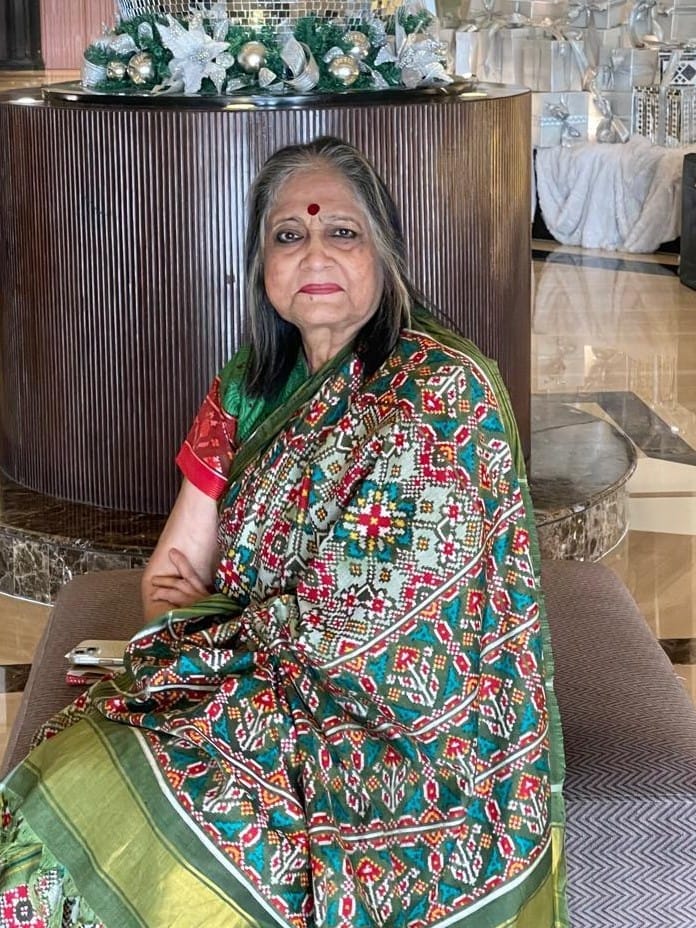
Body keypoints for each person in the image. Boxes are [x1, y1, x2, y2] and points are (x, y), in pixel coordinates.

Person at [0, 137, 568, 928]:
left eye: (343, 232)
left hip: (408, 724)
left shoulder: (442, 390)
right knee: (64, 794)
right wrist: (215, 656)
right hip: (249, 678)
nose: (315, 253)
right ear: (261, 267)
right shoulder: (247, 387)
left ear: (385, 256)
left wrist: (216, 643)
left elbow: (395, 623)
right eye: (289, 235)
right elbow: (174, 568)